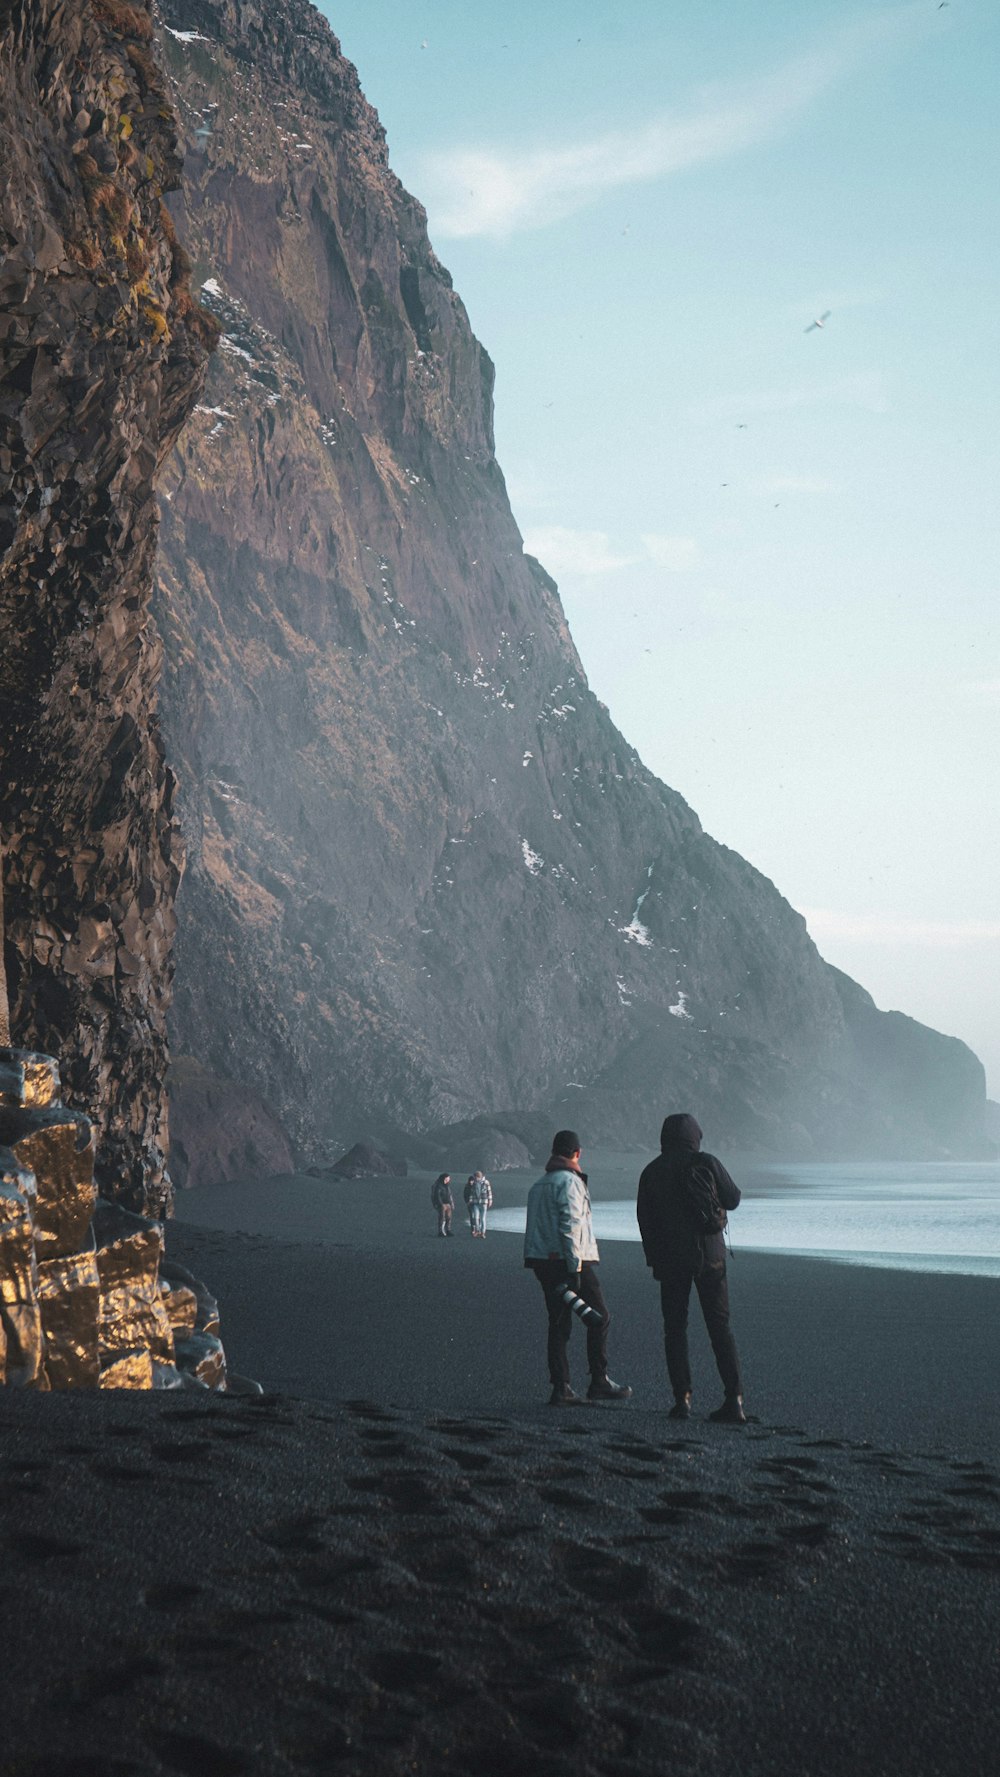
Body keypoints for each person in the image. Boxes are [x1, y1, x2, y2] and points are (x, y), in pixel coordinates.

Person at [636, 1112, 746, 1424]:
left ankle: (682, 1399)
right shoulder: (706, 1162)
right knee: (719, 1327)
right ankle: (734, 1399)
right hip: (710, 1257)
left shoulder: (651, 1172)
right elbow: (734, 1198)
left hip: (670, 1261)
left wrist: (653, 1258)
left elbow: (645, 1219)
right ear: (693, 1136)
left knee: (675, 1329)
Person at [523, 1130, 631, 1406]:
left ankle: (561, 1387)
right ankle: (599, 1380)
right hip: (569, 1261)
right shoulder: (570, 1183)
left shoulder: (539, 1184)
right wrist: (574, 1267)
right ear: (577, 1153)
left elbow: (535, 1229)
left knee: (559, 1323)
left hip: (543, 1262)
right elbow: (571, 1226)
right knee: (600, 1316)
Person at [464, 1169, 493, 1238]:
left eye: (475, 1177)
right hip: (475, 1202)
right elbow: (472, 1193)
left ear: (479, 1177)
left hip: (483, 1202)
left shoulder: (486, 1182)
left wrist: (490, 1200)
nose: (475, 1178)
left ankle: (483, 1232)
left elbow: (489, 1192)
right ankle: (477, 1231)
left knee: (482, 1218)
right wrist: (470, 1200)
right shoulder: (474, 1183)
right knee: (476, 1218)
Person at [431, 1173, 454, 1237]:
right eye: (447, 1178)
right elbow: (437, 1196)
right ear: (444, 1178)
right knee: (442, 1218)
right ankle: (441, 1231)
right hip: (442, 1204)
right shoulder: (438, 1186)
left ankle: (448, 1230)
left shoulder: (447, 1186)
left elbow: (450, 1195)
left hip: (448, 1204)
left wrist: (451, 1204)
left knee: (448, 1218)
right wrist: (440, 1204)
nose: (449, 1179)